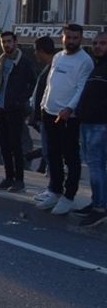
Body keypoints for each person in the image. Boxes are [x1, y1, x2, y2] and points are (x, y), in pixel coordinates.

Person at [36, 23, 95, 215]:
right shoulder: (58, 57)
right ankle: (54, 190)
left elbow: (81, 88)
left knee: (70, 157)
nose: (71, 41)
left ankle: (69, 196)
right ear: (62, 38)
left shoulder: (85, 61)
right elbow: (50, 84)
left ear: (81, 39)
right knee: (51, 155)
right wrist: (43, 104)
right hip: (49, 112)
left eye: (75, 38)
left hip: (68, 116)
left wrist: (69, 108)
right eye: (68, 37)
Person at [0, 31, 37, 193]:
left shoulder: (23, 62)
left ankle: (19, 180)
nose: (6, 44)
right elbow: (1, 82)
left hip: (15, 109)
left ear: (15, 42)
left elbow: (32, 83)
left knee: (16, 145)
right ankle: (8, 178)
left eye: (9, 41)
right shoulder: (2, 60)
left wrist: (19, 100)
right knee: (4, 145)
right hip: (1, 107)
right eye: (4, 42)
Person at [73, 31, 107, 227]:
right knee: (95, 165)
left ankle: (99, 208)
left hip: (100, 124)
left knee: (96, 167)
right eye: (95, 43)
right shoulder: (98, 67)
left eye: (103, 43)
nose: (98, 46)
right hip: (88, 123)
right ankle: (97, 202)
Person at [26, 36, 57, 177]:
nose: (34, 54)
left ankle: (53, 180)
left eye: (35, 50)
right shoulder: (48, 67)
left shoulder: (55, 67)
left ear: (41, 50)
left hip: (49, 115)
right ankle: (46, 172)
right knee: (48, 148)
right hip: (41, 116)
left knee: (51, 149)